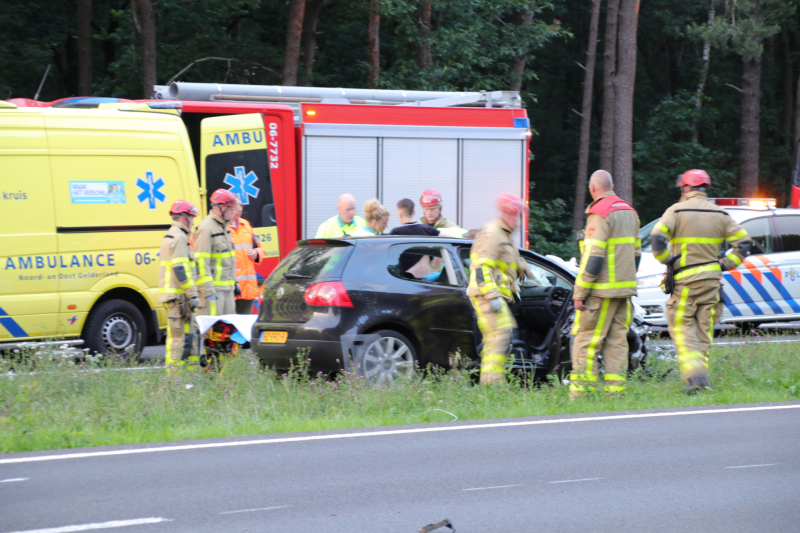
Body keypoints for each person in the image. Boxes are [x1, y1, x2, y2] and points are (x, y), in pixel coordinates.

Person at [650, 169, 751, 393]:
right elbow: (744, 243)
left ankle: (694, 376)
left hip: (686, 283)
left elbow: (656, 237)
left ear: (686, 188)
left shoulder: (676, 210)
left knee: (682, 328)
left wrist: (667, 260)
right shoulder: (720, 213)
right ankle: (700, 381)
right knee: (703, 333)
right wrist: (725, 264)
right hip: (712, 283)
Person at [570, 170, 641, 398]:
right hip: (624, 292)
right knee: (617, 343)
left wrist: (580, 292)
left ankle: (581, 395)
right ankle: (615, 394)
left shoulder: (599, 212)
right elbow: (636, 253)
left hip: (601, 293)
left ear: (592, 189)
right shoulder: (630, 212)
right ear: (612, 186)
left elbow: (594, 256)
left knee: (586, 342)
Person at [467, 193, 530, 385]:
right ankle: (493, 384)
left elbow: (505, 262)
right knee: (500, 335)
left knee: (497, 337)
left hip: (495, 295)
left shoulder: (504, 234)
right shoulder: (492, 233)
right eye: (516, 216)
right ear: (506, 213)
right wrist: (492, 296)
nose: (518, 221)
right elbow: (480, 268)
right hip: (487, 296)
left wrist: (522, 266)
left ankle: (490, 382)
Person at [158, 200, 201, 371]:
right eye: (191, 217)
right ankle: (174, 377)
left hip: (178, 298)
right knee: (178, 339)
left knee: (190, 336)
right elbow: (180, 270)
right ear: (184, 217)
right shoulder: (179, 237)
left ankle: (190, 375)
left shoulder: (173, 235)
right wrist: (193, 294)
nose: (193, 221)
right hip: (178, 299)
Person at [194, 189, 238, 317]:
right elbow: (201, 263)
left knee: (228, 327)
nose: (233, 212)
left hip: (228, 290)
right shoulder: (206, 228)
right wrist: (208, 291)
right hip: (214, 292)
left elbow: (228, 260)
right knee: (213, 328)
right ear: (221, 207)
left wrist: (235, 282)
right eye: (231, 209)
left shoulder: (225, 227)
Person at [230, 200, 266, 314]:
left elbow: (260, 247)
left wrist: (256, 252)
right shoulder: (222, 227)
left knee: (245, 322)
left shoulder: (246, 225)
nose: (241, 209)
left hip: (247, 288)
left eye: (241, 206)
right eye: (237, 206)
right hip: (231, 289)